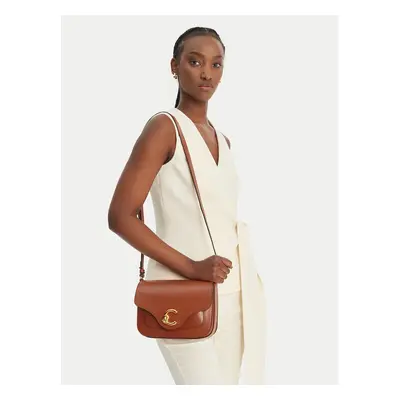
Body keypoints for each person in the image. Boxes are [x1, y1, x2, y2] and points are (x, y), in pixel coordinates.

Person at [108, 26, 266, 385]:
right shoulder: (164, 128)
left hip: (233, 294)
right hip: (180, 294)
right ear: (174, 67)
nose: (207, 73)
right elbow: (120, 216)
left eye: (216, 64)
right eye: (195, 62)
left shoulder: (223, 140)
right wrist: (191, 267)